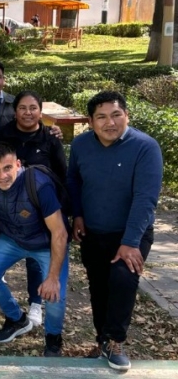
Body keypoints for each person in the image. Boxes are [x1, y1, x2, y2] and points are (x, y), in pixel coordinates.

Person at [68, 91, 162, 371]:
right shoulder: (81, 145)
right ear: (90, 121)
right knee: (98, 286)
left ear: (127, 115)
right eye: (101, 117)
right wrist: (78, 216)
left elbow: (146, 198)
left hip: (131, 233)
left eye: (116, 114)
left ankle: (116, 341)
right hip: (94, 231)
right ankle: (102, 340)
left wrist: (131, 242)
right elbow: (74, 180)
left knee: (122, 280)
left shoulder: (146, 147)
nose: (110, 122)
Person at [0, 142, 70, 357]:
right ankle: (17, 319)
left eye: (7, 168)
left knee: (55, 295)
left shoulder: (38, 185)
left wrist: (53, 277)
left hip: (46, 244)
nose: (2, 176)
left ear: (18, 164)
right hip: (13, 238)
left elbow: (60, 233)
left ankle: (53, 338)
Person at [0, 90, 68, 327]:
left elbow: (62, 175)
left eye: (33, 108)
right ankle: (2, 299)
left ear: (40, 111)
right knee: (2, 252)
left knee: (36, 260)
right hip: (7, 209)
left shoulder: (50, 138)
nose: (28, 113)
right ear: (14, 111)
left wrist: (68, 210)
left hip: (41, 211)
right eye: (23, 108)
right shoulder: (3, 135)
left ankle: (36, 303)